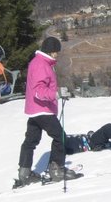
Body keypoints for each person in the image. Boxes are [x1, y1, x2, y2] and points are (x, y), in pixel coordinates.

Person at [16, 37, 80, 187]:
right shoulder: (41, 64)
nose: (57, 54)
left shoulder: (38, 62)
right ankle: (56, 169)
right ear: (51, 51)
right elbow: (38, 90)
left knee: (31, 141)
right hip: (42, 109)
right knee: (60, 137)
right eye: (57, 51)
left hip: (35, 110)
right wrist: (56, 94)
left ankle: (24, 173)